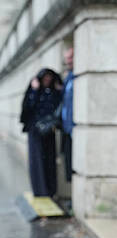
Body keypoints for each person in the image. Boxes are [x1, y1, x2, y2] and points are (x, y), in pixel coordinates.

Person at [20, 68, 62, 197]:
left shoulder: (53, 92)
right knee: (37, 161)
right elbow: (28, 107)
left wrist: (60, 91)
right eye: (45, 77)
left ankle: (50, 190)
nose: (47, 80)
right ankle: (40, 191)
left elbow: (58, 107)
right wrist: (34, 90)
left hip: (49, 131)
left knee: (49, 161)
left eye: (49, 77)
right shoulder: (34, 91)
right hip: (35, 131)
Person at [61, 47, 76, 182]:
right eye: (67, 59)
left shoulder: (77, 76)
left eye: (71, 57)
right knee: (68, 165)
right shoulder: (68, 78)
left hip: (75, 128)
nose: (68, 61)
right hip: (66, 128)